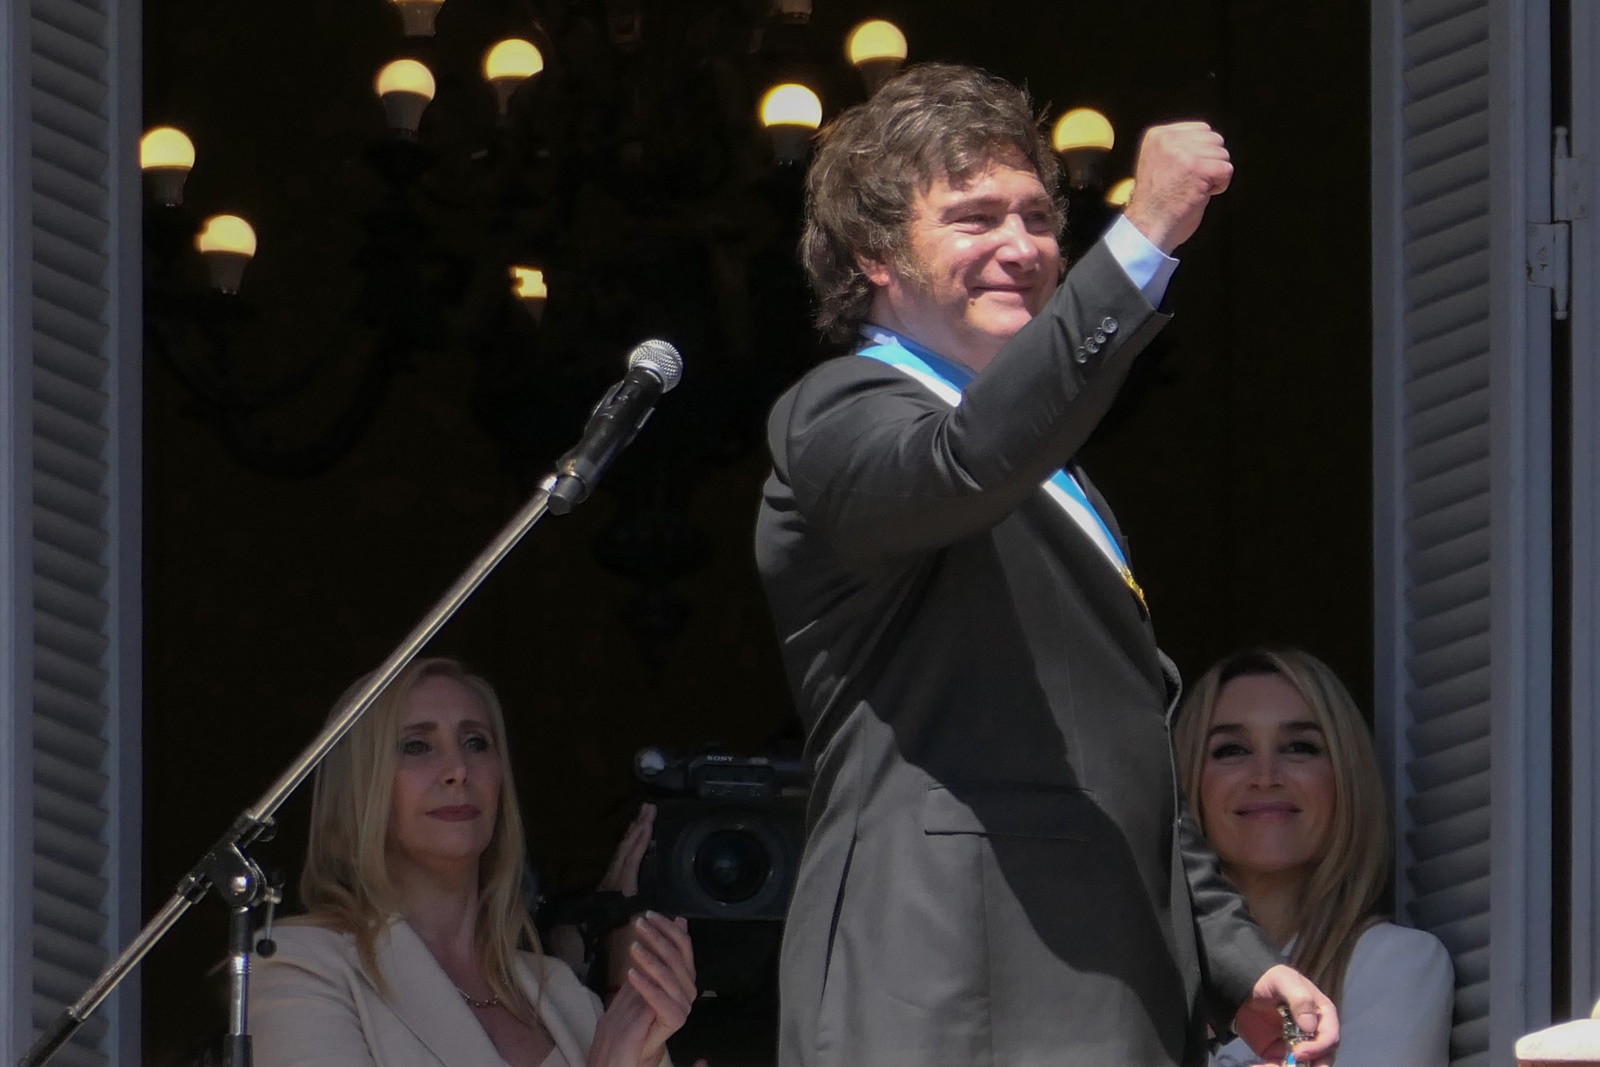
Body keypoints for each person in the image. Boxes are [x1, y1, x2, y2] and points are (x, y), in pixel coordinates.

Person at [753, 62, 1343, 1067]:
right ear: (873, 254)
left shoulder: (1055, 478)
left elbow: (1116, 747)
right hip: (946, 994)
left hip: (1103, 989)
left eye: (1036, 217)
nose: (1021, 248)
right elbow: (964, 458)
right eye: (975, 219)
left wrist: (1234, 955)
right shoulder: (837, 414)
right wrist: (1142, 238)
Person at [253, 658, 699, 1067]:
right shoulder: (298, 963)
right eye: (416, 746)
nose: (458, 769)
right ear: (358, 788)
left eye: (475, 742)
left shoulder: (561, 991)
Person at [1174, 647, 1455, 1067]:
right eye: (1231, 750)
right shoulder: (1136, 982)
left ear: (1346, 777)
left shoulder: (1392, 964)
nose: (1265, 777)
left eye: (1299, 747)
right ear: (1187, 782)